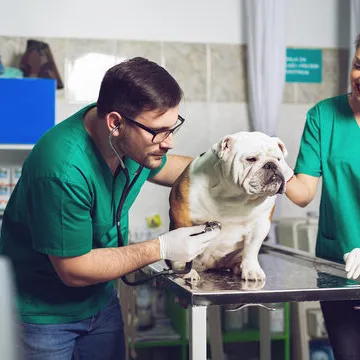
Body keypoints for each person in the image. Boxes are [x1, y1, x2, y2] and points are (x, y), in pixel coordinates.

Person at [0, 57, 221, 360]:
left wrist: (232, 169)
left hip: (101, 304)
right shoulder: (62, 168)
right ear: (115, 123)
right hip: (44, 316)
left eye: (173, 128)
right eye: (159, 131)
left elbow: (177, 171)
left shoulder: (130, 141)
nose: (168, 143)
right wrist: (161, 247)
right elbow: (73, 270)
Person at [285, 34, 360, 360]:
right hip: (337, 265)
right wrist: (273, 168)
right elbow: (302, 193)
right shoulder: (323, 116)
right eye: (358, 65)